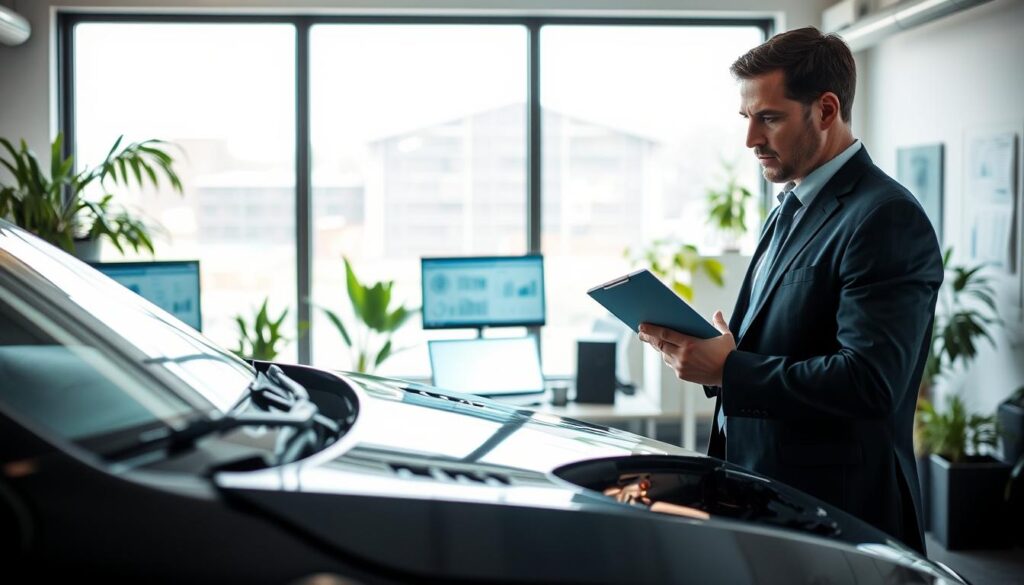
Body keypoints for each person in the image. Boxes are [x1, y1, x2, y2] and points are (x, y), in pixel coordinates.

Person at [637, 26, 942, 554]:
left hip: (841, 518)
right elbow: (791, 344)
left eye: (769, 118)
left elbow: (871, 382)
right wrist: (721, 357)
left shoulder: (885, 217)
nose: (751, 139)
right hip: (769, 500)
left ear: (826, 110)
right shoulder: (788, 206)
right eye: (747, 119)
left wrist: (730, 369)